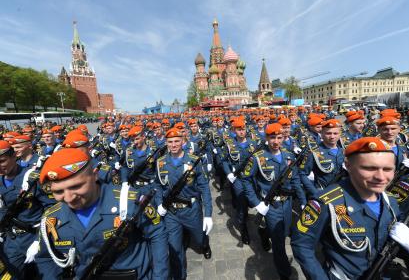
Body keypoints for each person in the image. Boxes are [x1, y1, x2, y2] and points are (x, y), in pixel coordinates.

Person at [35, 148, 169, 279]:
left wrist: (160, 276)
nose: (69, 198)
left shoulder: (128, 201)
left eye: (76, 186)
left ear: (94, 175)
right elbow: (45, 257)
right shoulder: (51, 219)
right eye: (58, 192)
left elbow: (157, 234)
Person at [291, 137, 408, 279]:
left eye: (388, 169)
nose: (380, 177)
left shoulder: (390, 201)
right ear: (348, 166)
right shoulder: (327, 202)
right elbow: (302, 245)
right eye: (369, 168)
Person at [241, 123, 306, 280]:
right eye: (272, 138)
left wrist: (303, 200)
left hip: (288, 203)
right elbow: (246, 179)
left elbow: (296, 179)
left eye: (279, 137)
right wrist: (256, 203)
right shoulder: (258, 158)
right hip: (271, 205)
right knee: (279, 243)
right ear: (266, 138)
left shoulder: (289, 155)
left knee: (284, 232)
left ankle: (264, 232)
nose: (276, 141)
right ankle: (284, 273)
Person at [155, 128, 213, 280]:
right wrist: (159, 204)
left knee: (200, 238)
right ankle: (180, 276)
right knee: (175, 249)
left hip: (191, 210)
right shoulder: (160, 162)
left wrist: (208, 214)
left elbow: (204, 188)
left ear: (182, 141)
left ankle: (205, 243)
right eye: (170, 142)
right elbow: (158, 186)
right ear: (166, 143)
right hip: (171, 213)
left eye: (176, 141)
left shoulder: (193, 161)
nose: (173, 145)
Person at [0, 140, 53, 278]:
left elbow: (53, 209)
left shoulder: (32, 178)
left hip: (35, 236)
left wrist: (39, 240)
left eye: (2, 161)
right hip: (11, 240)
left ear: (14, 156)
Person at [222, 118, 257, 245]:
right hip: (238, 180)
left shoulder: (253, 143)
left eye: (243, 129)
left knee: (252, 201)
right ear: (233, 130)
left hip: (252, 179)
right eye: (238, 129)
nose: (241, 132)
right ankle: (243, 229)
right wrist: (229, 173)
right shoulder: (230, 145)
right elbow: (224, 160)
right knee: (242, 204)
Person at [299, 119, 345, 198]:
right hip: (323, 194)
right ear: (322, 134)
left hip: (343, 193)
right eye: (328, 133)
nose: (332, 136)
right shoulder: (314, 152)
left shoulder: (345, 151)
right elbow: (302, 174)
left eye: (335, 133)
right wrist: (314, 192)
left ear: (340, 134)